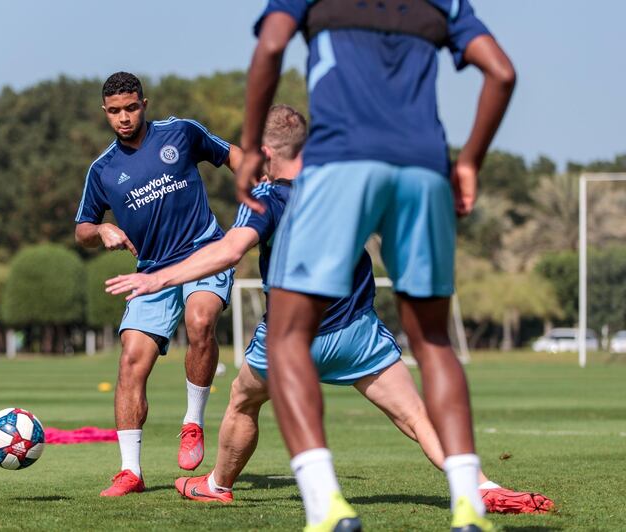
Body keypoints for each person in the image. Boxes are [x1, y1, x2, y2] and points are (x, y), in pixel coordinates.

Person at [106, 105, 552, 515]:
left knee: (242, 402)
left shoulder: (265, 198)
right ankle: (483, 486)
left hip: (289, 344)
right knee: (416, 415)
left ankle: (217, 484)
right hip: (355, 334)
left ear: (265, 152)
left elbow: (228, 251)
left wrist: (158, 278)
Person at [235, 2, 516, 530]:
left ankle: (326, 505)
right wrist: (470, 159)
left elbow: (271, 45)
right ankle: (467, 506)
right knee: (433, 341)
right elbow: (501, 72)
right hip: (424, 168)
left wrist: (252, 145)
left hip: (341, 162)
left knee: (287, 335)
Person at [75, 72, 243, 497]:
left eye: (131, 108)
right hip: (151, 271)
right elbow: (82, 228)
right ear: (105, 113)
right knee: (132, 358)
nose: (124, 118)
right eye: (115, 111)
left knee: (201, 320)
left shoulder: (181, 132)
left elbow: (232, 156)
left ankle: (192, 422)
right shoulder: (103, 170)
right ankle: (130, 472)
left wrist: (268, 189)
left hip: (205, 252)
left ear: (144, 104)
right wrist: (102, 230)